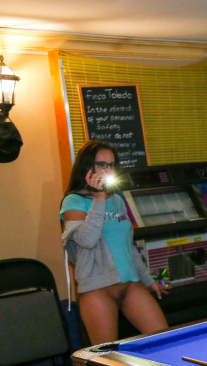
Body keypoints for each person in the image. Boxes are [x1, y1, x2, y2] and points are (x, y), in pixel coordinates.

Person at [60, 141, 168, 345]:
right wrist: (99, 199)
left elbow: (127, 246)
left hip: (130, 286)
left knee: (164, 341)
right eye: (101, 164)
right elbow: (87, 240)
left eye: (111, 165)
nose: (107, 170)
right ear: (87, 167)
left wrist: (148, 280)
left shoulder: (117, 199)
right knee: (107, 357)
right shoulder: (73, 202)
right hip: (98, 292)